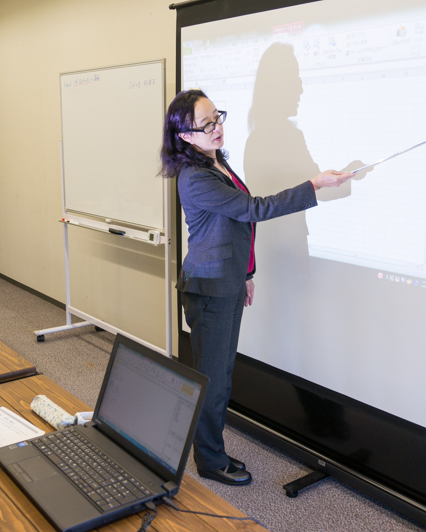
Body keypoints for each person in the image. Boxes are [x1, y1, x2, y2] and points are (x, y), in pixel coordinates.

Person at [160, 89, 353, 486]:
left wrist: (246, 274)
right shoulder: (195, 177)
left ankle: (212, 451)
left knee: (221, 375)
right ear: (185, 136)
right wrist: (313, 185)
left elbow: (233, 228)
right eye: (206, 124)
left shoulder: (216, 161)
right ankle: (210, 461)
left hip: (227, 281)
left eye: (218, 117)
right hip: (209, 289)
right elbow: (253, 210)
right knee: (214, 381)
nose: (217, 127)